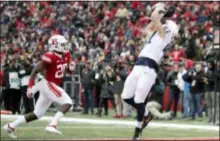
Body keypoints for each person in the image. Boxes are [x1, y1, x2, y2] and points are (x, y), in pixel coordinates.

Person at [121, 3, 179, 140]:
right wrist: (156, 14)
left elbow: (155, 19)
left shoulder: (164, 33)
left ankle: (138, 129)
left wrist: (158, 9)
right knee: (126, 96)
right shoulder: (157, 33)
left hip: (149, 68)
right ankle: (146, 113)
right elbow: (146, 29)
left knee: (139, 99)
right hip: (139, 64)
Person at [3, 35, 75, 138]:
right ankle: (52, 125)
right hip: (49, 84)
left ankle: (11, 126)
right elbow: (35, 70)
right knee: (68, 102)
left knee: (38, 113)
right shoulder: (50, 56)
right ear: (55, 45)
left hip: (50, 86)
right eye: (62, 44)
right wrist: (30, 86)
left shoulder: (66, 54)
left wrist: (70, 70)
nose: (65, 46)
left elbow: (64, 71)